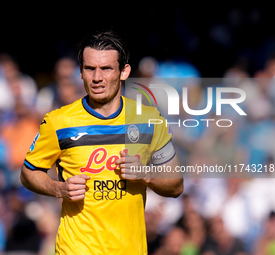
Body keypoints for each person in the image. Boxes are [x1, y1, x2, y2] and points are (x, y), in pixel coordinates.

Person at [20, 29, 183, 255]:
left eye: (106, 69)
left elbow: (176, 185)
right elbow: (28, 173)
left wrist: (146, 174)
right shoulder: (58, 122)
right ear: (80, 72)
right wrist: (59, 188)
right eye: (90, 69)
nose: (97, 77)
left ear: (124, 72)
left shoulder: (149, 120)